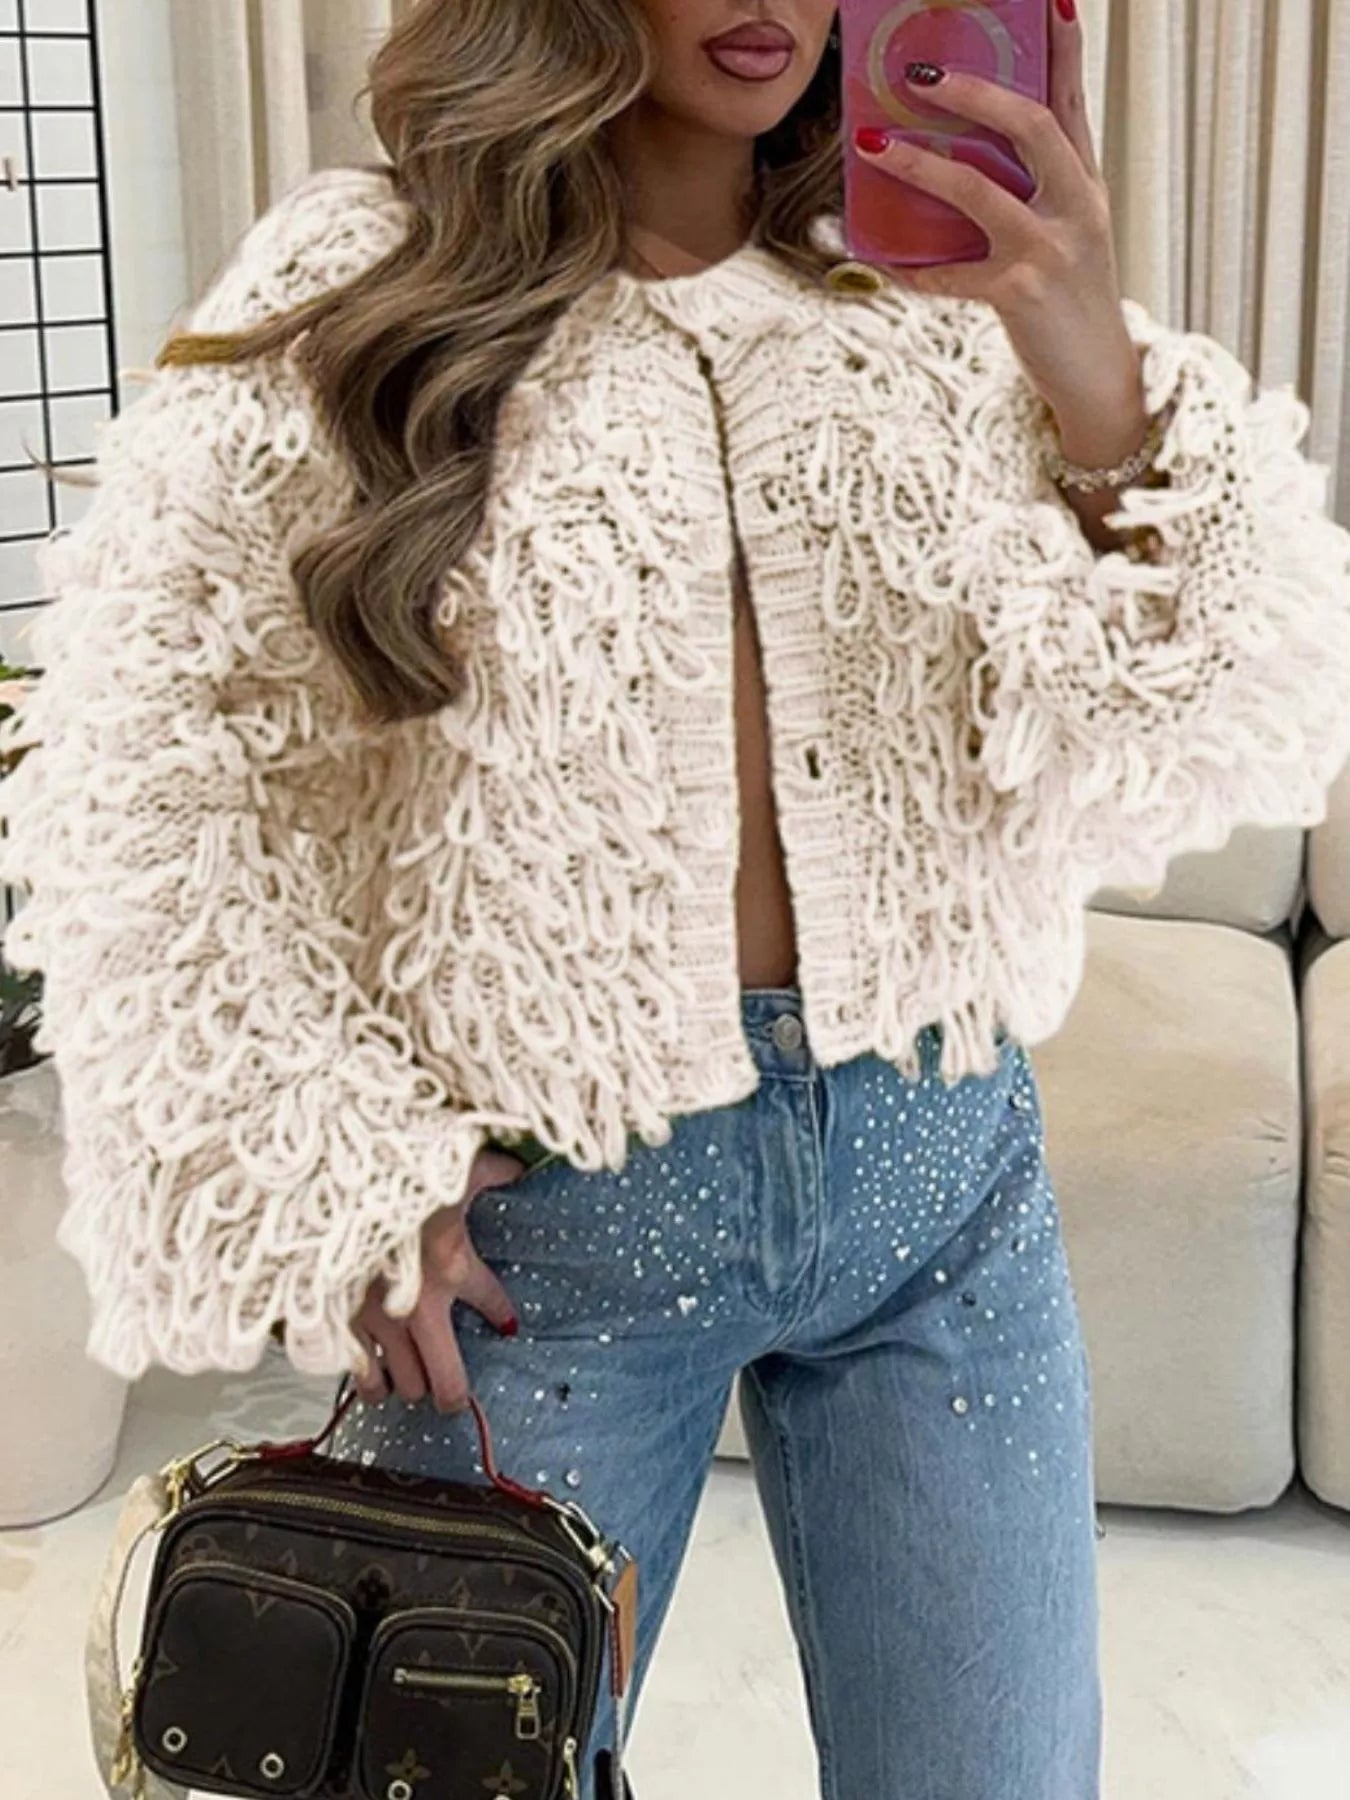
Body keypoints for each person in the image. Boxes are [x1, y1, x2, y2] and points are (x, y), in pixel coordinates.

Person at [4, 3, 1350, 1796]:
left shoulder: (923, 302)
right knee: (440, 1761)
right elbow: (156, 767)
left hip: (939, 1194)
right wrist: (336, 1163)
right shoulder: (367, 287)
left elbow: (1202, 711)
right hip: (559, 1237)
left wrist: (1089, 364)